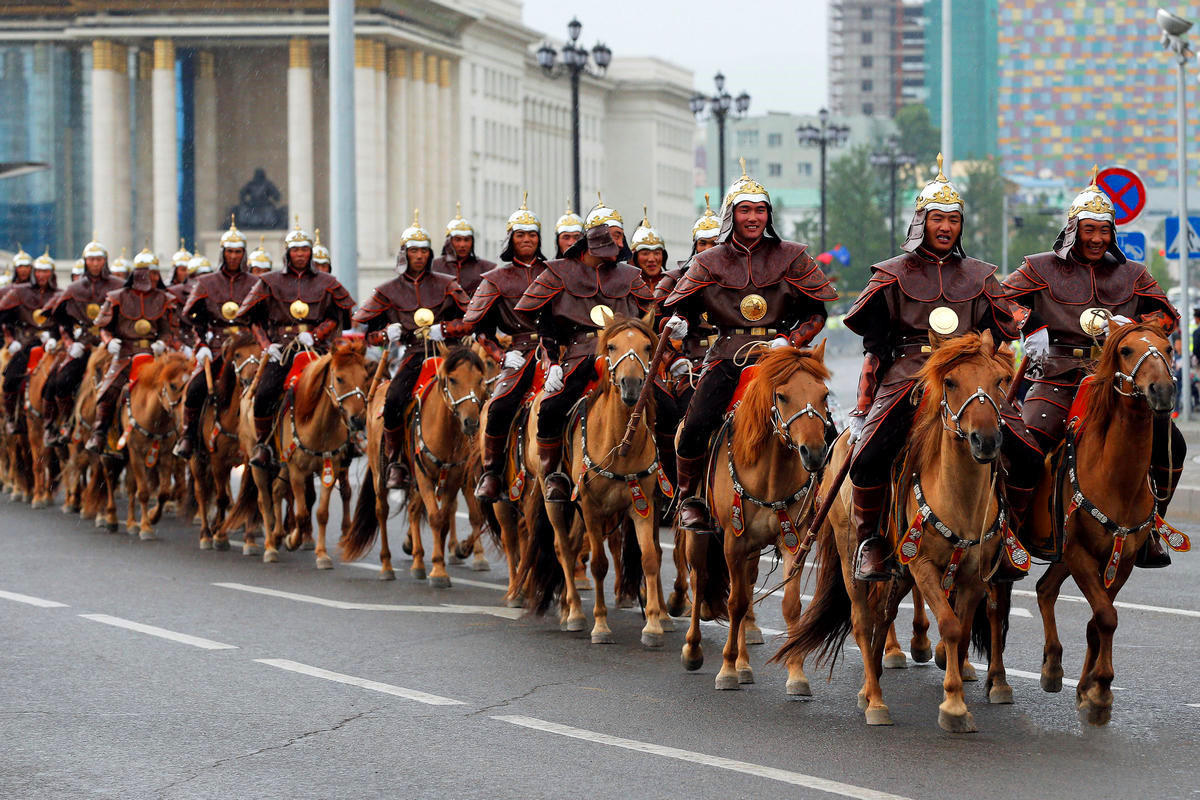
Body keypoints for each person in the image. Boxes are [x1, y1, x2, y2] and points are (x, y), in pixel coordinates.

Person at [843, 154, 1041, 581]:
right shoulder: (891, 274)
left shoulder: (981, 275)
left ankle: (1009, 538)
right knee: (867, 456)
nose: (946, 227)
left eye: (953, 219)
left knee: (1027, 456)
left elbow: (1002, 327)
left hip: (971, 376)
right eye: (938, 218)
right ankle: (871, 541)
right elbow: (875, 341)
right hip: (908, 376)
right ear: (921, 222)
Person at [1002, 167, 1182, 567]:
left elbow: (1166, 319)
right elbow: (1000, 304)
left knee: (1172, 446)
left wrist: (1136, 329)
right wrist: (1029, 326)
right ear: (1073, 229)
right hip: (1056, 378)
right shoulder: (1039, 267)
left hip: (1118, 383)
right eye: (1089, 229)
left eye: (1104, 230)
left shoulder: (1133, 274)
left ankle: (1150, 528)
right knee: (1024, 445)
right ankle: (1009, 534)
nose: (1097, 238)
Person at [663, 163, 836, 531]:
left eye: (760, 210)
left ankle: (826, 495)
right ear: (732, 215)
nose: (753, 217)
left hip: (783, 357)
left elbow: (817, 314)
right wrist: (678, 323)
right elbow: (682, 312)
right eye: (745, 210)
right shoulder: (708, 260)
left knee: (825, 424)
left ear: (768, 214)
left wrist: (789, 340)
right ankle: (689, 498)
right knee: (694, 426)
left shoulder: (791, 255)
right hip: (727, 356)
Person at [515, 197, 656, 502]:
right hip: (579, 355)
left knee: (669, 406)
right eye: (601, 254)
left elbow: (650, 312)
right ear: (586, 250)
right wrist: (552, 363)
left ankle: (665, 476)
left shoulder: (628, 276)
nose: (608, 259)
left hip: (624, 353)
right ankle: (552, 473)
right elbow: (544, 322)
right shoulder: (557, 272)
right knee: (551, 407)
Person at [440, 198, 548, 502]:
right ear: (510, 239)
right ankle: (492, 472)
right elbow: (480, 328)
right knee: (499, 406)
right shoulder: (496, 279)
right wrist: (502, 355)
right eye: (520, 235)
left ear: (539, 239)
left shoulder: (557, 272)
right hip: (518, 352)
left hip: (559, 351)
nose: (527, 240)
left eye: (532, 234)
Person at [352, 211, 468, 488]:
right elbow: (367, 333)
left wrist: (448, 329)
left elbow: (471, 318)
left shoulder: (447, 284)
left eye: (424, 251)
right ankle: (396, 461)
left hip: (447, 353)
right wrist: (385, 334)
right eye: (414, 251)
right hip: (414, 354)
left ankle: (480, 458)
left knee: (476, 395)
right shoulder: (387, 290)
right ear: (405, 254)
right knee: (393, 402)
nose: (420, 256)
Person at [237, 220, 355, 468]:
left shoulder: (327, 281)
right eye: (296, 250)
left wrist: (316, 335)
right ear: (288, 253)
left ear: (310, 253)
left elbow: (336, 317)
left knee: (345, 385)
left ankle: (350, 438)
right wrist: (267, 345)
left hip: (317, 349)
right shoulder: (269, 281)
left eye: (304, 249)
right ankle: (263, 444)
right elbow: (253, 320)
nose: (300, 254)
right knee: (266, 392)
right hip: (282, 350)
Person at [650, 194, 722, 487]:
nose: (708, 248)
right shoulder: (675, 277)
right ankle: (684, 488)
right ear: (694, 244)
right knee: (680, 415)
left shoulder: (742, 272)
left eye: (714, 241)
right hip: (689, 362)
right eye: (703, 242)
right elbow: (656, 324)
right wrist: (673, 358)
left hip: (738, 355)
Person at [173, 217, 259, 458]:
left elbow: (263, 318)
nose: (233, 256)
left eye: (238, 252)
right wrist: (201, 344)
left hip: (249, 348)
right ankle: (189, 436)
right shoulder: (205, 282)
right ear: (223, 253)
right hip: (217, 348)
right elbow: (194, 318)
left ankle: (266, 441)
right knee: (195, 389)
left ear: (244, 254)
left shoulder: (256, 283)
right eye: (230, 252)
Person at [85, 249, 180, 453]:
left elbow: (168, 330)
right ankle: (99, 433)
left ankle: (182, 434)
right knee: (109, 389)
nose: (155, 277)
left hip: (155, 356)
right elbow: (103, 326)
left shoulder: (164, 298)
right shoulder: (117, 297)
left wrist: (162, 343)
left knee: (176, 387)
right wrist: (109, 340)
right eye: (150, 273)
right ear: (139, 275)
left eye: (156, 273)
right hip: (125, 353)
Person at [41, 235, 124, 443]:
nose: (95, 263)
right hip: (84, 345)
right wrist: (71, 343)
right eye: (91, 259)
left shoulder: (119, 285)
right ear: (85, 261)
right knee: (60, 381)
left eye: (98, 259)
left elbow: (128, 314)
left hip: (113, 346)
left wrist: (118, 338)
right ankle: (66, 423)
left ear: (105, 261)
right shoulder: (73, 289)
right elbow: (60, 318)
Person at [0, 249, 59, 432]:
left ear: (52, 273)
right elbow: (3, 317)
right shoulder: (18, 292)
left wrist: (55, 336)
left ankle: (62, 420)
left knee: (66, 379)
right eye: (39, 271)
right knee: (10, 378)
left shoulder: (60, 293)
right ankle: (11, 417)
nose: (42, 275)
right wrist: (10, 338)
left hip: (53, 345)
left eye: (46, 271)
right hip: (25, 343)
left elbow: (66, 321)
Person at [432, 203, 495, 297]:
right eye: (458, 240)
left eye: (466, 240)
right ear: (449, 241)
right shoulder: (434, 267)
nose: (462, 245)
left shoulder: (487, 268)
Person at [629, 208, 667, 285]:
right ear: (635, 257)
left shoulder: (673, 284)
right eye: (645, 253)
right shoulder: (624, 284)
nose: (651, 259)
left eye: (657, 253)